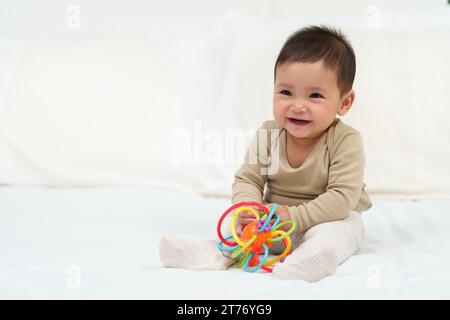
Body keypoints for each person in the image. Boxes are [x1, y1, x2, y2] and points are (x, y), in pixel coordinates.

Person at [160, 25, 372, 282]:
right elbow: (248, 179)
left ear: (344, 103)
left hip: (324, 219)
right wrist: (248, 209)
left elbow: (341, 198)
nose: (297, 105)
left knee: (341, 231)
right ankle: (216, 254)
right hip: (271, 221)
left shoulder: (346, 141)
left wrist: (295, 216)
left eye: (315, 95)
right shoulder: (268, 135)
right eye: (286, 92)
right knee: (234, 225)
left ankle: (313, 257)